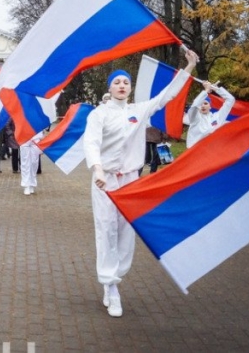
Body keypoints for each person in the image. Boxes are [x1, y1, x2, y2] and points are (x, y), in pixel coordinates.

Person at [83, 49, 199, 317]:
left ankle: (116, 278)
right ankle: (110, 286)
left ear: (130, 87)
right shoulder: (99, 114)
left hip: (132, 180)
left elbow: (167, 95)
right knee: (106, 230)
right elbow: (91, 142)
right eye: (117, 82)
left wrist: (189, 67)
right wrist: (98, 169)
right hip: (105, 180)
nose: (122, 86)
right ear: (109, 88)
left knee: (126, 232)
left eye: (125, 82)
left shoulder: (138, 110)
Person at [186, 80, 235, 148]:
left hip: (210, 154)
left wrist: (216, 89)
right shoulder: (194, 117)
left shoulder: (217, 117)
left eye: (205, 103)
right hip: (194, 153)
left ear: (210, 106)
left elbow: (231, 100)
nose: (203, 106)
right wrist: (206, 90)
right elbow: (194, 106)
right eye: (201, 104)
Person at [20, 131, 44, 195]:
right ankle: (26, 185)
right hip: (24, 138)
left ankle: (32, 183)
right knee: (25, 163)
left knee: (34, 162)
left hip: (36, 138)